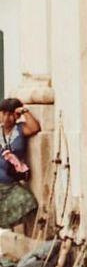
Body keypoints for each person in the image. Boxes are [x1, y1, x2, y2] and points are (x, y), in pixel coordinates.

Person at [0, 97, 40, 231]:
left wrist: (24, 110)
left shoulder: (20, 129)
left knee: (28, 202)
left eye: (11, 114)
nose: (6, 118)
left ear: (16, 115)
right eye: (4, 113)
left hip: (11, 183)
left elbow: (35, 127)